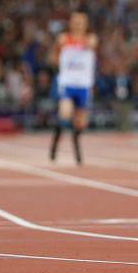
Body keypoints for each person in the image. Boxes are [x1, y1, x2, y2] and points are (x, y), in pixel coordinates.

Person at [49, 11, 98, 165]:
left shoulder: (91, 39)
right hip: (68, 83)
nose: (78, 25)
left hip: (83, 85)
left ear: (86, 24)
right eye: (75, 22)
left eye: (81, 22)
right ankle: (54, 146)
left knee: (80, 123)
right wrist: (61, 61)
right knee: (65, 113)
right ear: (70, 23)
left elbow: (92, 44)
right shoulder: (63, 39)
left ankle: (77, 149)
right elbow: (53, 57)